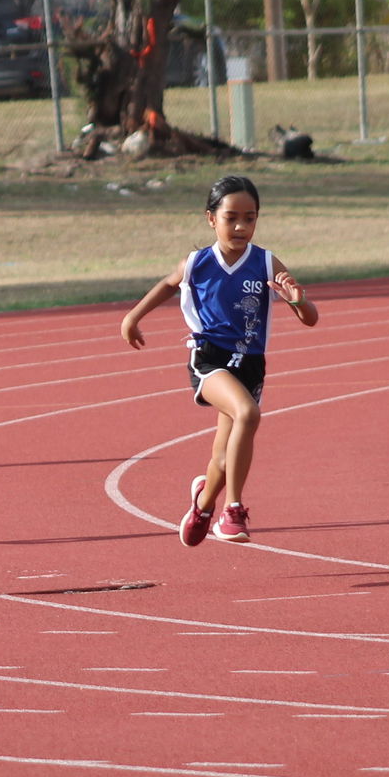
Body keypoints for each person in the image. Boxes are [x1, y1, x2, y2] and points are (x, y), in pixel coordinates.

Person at [119, 175, 319, 546]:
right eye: (231, 217)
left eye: (250, 217)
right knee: (247, 414)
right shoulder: (198, 263)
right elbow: (167, 284)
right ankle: (233, 509)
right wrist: (133, 317)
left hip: (250, 365)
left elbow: (310, 318)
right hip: (210, 360)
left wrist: (297, 300)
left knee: (225, 461)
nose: (241, 226)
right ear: (211, 218)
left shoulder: (264, 262)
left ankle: (203, 504)